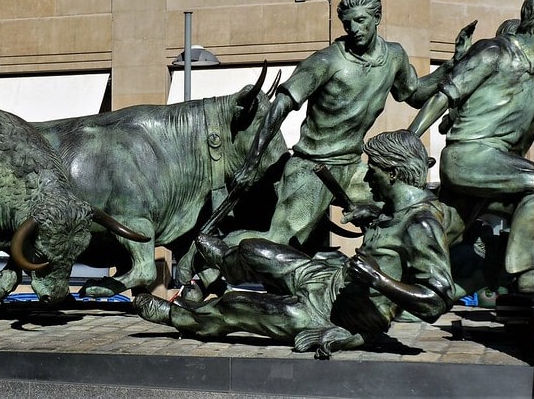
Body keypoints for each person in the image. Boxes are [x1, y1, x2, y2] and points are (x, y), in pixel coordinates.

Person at [134, 130, 456, 357]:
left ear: (394, 173)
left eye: (373, 171)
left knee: (235, 306)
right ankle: (229, 260)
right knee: (253, 248)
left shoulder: (421, 224)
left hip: (334, 314)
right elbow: (389, 233)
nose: (368, 178)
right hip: (328, 279)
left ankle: (178, 316)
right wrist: (370, 214)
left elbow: (437, 301)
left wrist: (379, 280)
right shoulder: (396, 209)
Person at [219, 0, 474, 253]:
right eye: (347, 23)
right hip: (312, 167)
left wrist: (452, 64)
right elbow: (280, 105)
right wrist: (251, 164)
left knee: (405, 207)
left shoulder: (395, 56)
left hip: (353, 168)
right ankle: (212, 264)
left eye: (361, 21)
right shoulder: (326, 61)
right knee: (279, 242)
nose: (354, 29)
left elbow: (414, 94)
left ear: (377, 18)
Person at [408, 0, 534, 294]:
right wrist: (409, 138)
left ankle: (397, 293)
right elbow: (445, 94)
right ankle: (525, 272)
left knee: (449, 232)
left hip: (499, 166)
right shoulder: (495, 51)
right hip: (468, 157)